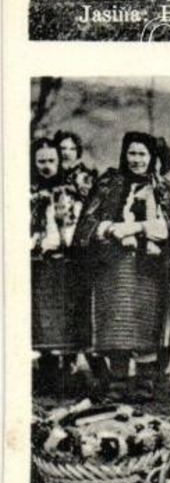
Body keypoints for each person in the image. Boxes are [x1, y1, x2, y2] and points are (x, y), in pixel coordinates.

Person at [75, 133, 170, 402]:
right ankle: (118, 380)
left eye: (142, 154)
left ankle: (145, 380)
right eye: (132, 154)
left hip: (150, 267)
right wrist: (109, 229)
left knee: (146, 321)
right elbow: (86, 223)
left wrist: (140, 227)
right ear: (124, 155)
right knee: (116, 322)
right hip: (113, 265)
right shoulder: (108, 185)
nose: (136, 160)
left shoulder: (163, 189)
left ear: (152, 157)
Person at [31, 138, 89, 397]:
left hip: (62, 264)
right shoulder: (26, 190)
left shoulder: (67, 193)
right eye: (41, 161)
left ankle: (67, 376)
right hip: (34, 264)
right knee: (39, 319)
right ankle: (44, 373)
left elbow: (70, 228)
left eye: (51, 161)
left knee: (63, 318)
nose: (46, 166)